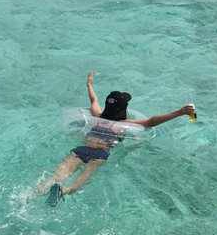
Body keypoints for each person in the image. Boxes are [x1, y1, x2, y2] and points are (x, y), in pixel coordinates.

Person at [36, 71, 196, 205]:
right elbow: (151, 121)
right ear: (124, 109)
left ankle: (33, 195)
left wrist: (89, 85)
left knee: (57, 176)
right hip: (99, 155)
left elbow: (94, 100)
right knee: (79, 182)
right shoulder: (124, 124)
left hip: (82, 149)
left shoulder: (97, 115)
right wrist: (179, 112)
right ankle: (63, 191)